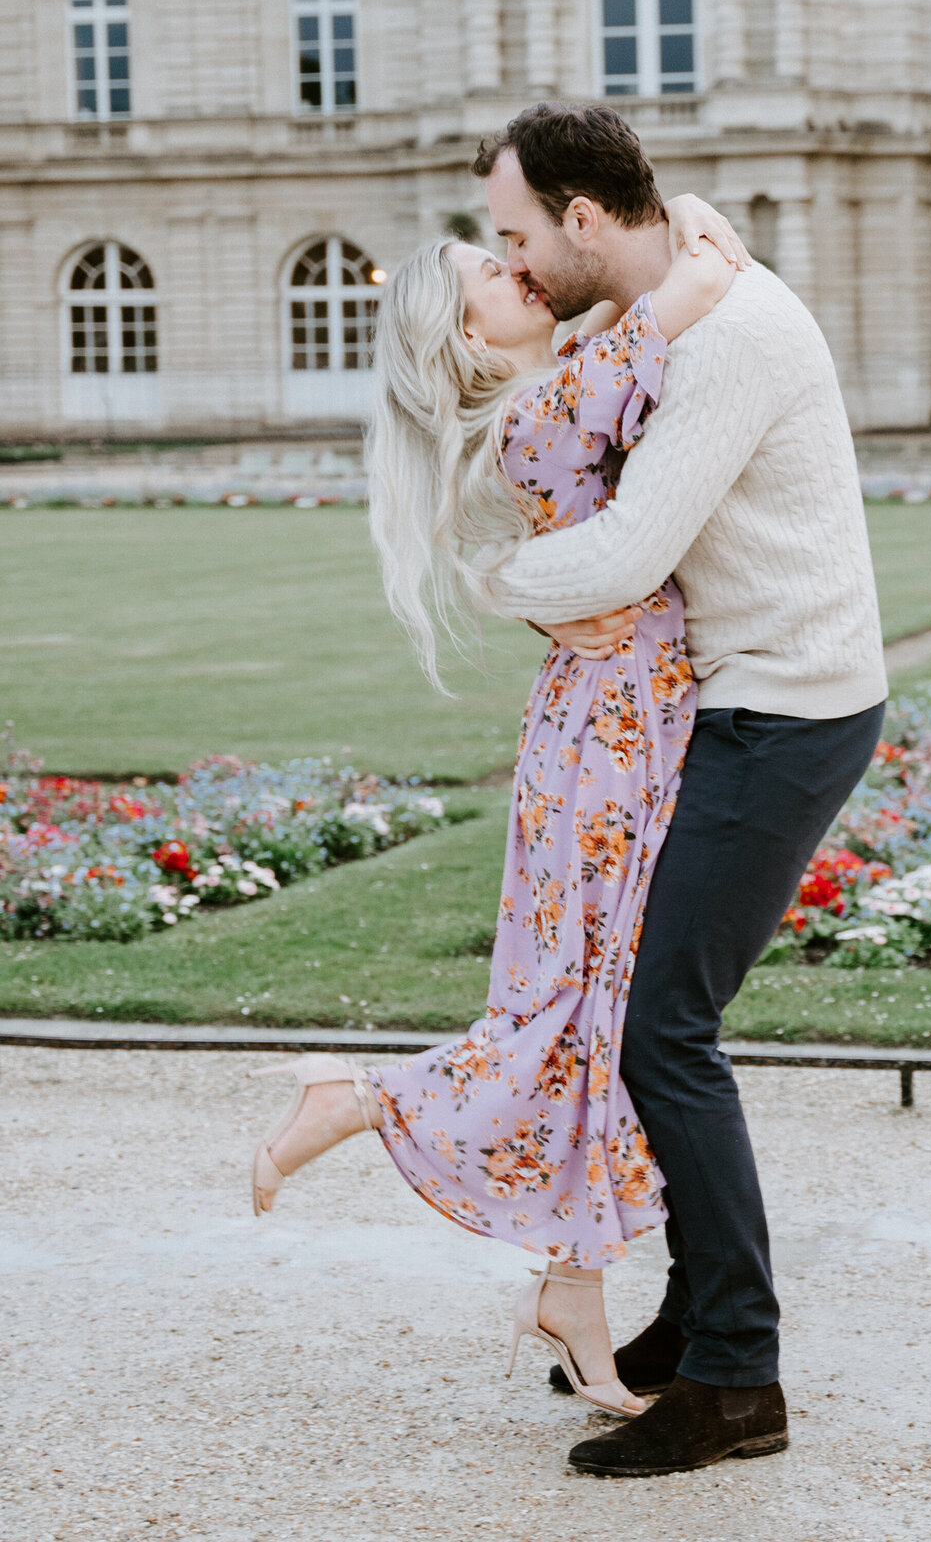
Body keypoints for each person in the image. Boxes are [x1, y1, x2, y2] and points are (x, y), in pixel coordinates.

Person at [248, 189, 748, 1421]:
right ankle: (360, 1101)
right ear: (472, 339)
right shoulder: (550, 407)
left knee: (596, 1007)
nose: (521, 267)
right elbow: (707, 275)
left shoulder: (557, 386)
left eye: (513, 248)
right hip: (612, 737)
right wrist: (671, 210)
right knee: (581, 999)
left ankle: (575, 1286)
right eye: (495, 269)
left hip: (613, 719)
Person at [471, 102, 888, 1477]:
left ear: (588, 220)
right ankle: (704, 1315)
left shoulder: (731, 339)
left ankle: (741, 1379)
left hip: (790, 709)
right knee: (652, 1016)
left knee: (663, 1027)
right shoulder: (669, 301)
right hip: (734, 702)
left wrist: (474, 582)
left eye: (518, 235)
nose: (511, 265)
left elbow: (624, 553)